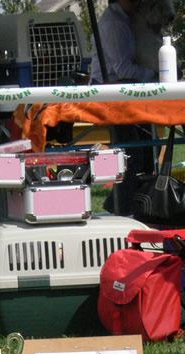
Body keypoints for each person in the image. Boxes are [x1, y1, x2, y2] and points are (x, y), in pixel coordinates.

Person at [89, 0, 156, 216]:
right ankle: (119, 208)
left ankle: (130, 203)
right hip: (111, 96)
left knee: (145, 151)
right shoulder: (115, 23)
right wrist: (153, 75)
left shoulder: (124, 20)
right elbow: (123, 68)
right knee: (132, 153)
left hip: (124, 95)